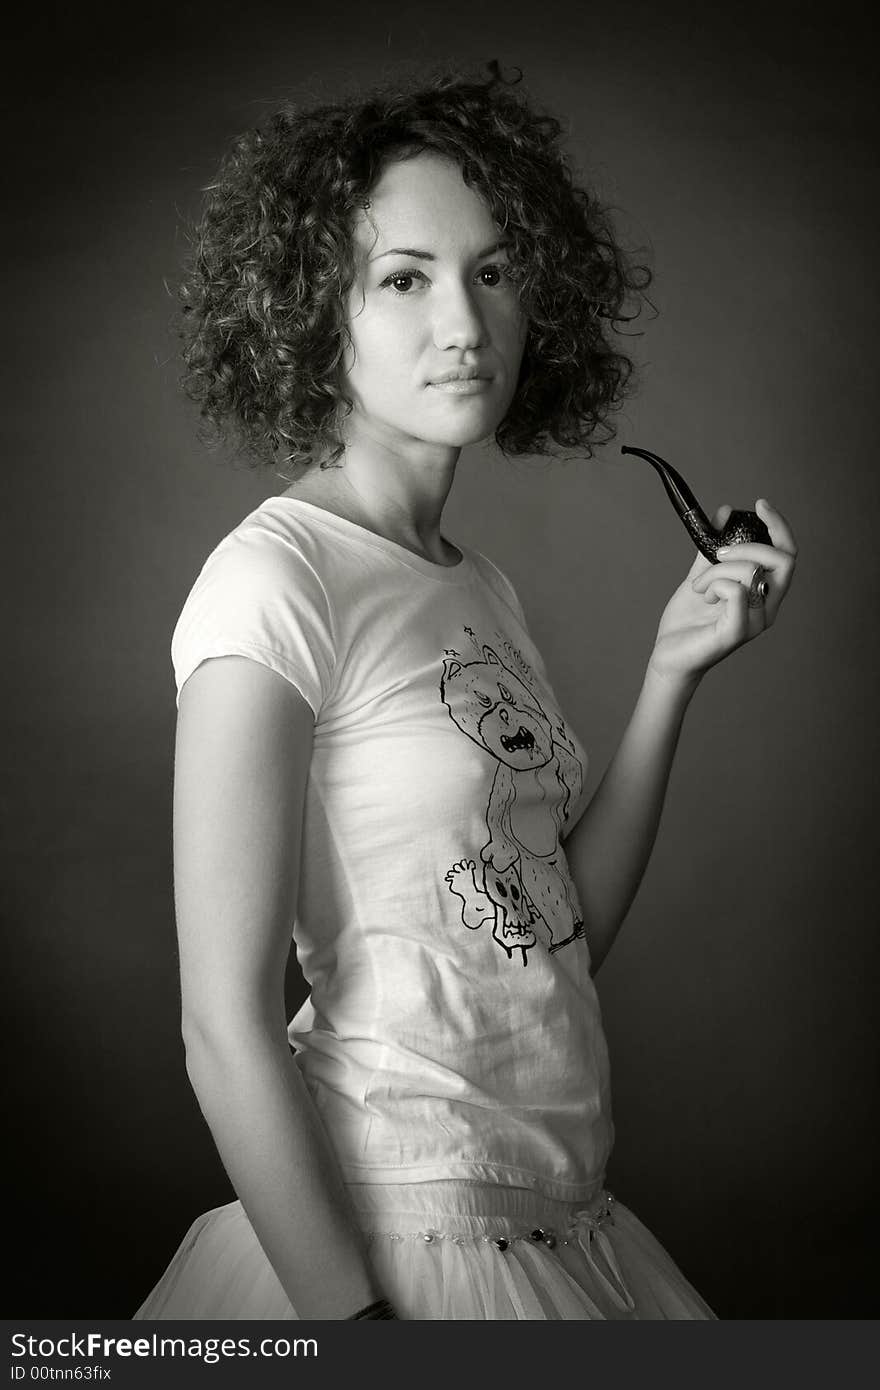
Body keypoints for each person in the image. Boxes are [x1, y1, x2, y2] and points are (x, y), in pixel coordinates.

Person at [134, 64, 797, 1321]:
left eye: (492, 271)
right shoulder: (274, 583)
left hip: (560, 1220)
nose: (465, 323)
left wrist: (671, 673)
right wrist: (356, 1324)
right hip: (388, 1237)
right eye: (404, 278)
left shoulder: (472, 583)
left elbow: (549, 943)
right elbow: (219, 1026)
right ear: (303, 312)